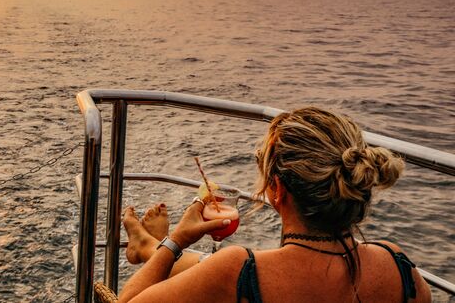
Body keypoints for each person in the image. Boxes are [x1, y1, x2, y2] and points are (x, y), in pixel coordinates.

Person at [119, 107, 431, 303]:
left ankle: (154, 247)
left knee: (216, 273)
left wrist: (177, 240)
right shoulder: (399, 269)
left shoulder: (237, 271)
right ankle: (147, 245)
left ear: (277, 190)